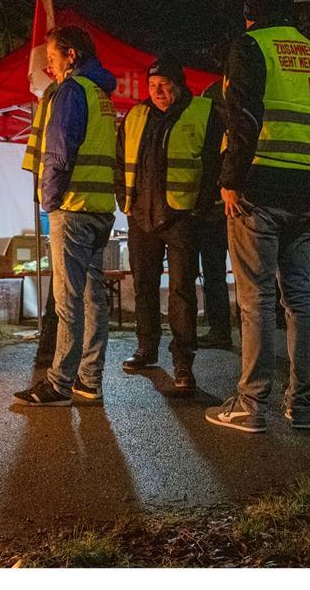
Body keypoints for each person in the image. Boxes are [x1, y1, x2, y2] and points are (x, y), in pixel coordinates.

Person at [205, 0, 310, 433]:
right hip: (308, 192)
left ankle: (250, 405)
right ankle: (302, 405)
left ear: (250, 14)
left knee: (255, 297)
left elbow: (241, 119)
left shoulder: (251, 47)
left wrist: (230, 181)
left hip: (259, 190)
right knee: (302, 298)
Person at [13, 25, 117, 406]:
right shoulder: (102, 93)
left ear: (71, 55)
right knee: (93, 298)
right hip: (100, 210)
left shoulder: (72, 91)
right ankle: (89, 381)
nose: (49, 67)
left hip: (72, 209)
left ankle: (58, 384)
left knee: (67, 300)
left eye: (53, 58)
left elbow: (59, 153)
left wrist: (50, 200)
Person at [116, 57, 223, 391]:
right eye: (152, 85)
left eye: (164, 84)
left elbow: (215, 163)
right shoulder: (136, 116)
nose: (157, 91)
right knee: (144, 286)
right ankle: (147, 349)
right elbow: (119, 161)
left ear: (180, 84)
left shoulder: (205, 113)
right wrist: (125, 201)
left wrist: (200, 207)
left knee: (181, 292)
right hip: (142, 217)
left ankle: (182, 362)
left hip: (183, 218)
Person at [20, 80, 59, 368]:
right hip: (67, 202)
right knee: (67, 288)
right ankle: (55, 351)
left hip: (66, 203)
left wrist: (50, 194)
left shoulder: (64, 93)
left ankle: (54, 354)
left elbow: (58, 149)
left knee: (66, 289)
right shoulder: (56, 92)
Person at [196, 79, 235, 350]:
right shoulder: (235, 125)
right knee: (217, 273)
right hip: (224, 205)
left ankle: (220, 330)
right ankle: (221, 329)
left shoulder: (209, 128)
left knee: (213, 271)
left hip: (212, 207)